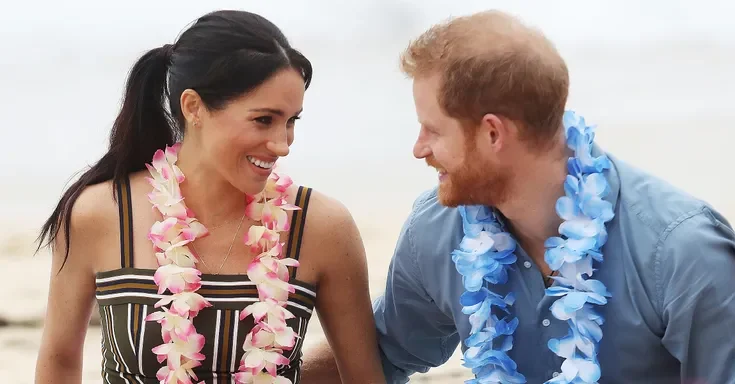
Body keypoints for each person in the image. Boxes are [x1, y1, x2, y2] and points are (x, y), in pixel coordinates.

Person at [301, 9, 735, 384]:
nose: (419, 148)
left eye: (432, 130)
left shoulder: (682, 251)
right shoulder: (436, 229)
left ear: (493, 133)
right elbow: (378, 354)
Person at [34, 10, 386, 384]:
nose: (282, 145)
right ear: (193, 107)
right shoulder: (101, 213)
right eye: (264, 119)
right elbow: (59, 363)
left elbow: (364, 377)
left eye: (291, 120)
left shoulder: (321, 227)